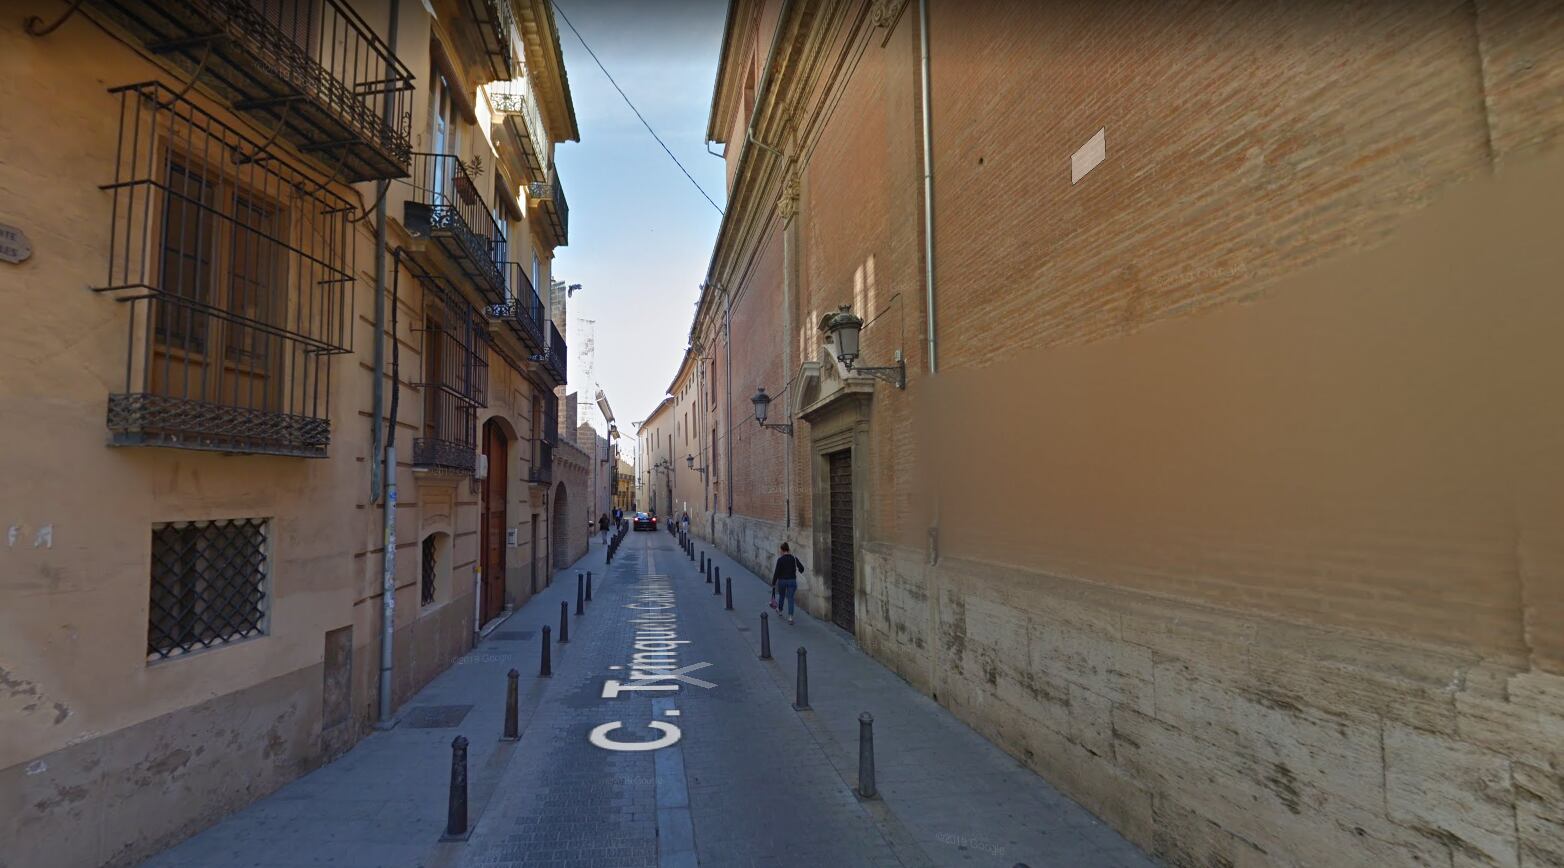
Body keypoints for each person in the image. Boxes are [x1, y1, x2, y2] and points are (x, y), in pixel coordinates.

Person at [771, 542, 804, 625]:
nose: (780, 552)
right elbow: (802, 569)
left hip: (782, 581)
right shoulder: (794, 558)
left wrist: (773, 583)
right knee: (790, 599)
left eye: (780, 550)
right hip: (792, 581)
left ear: (782, 550)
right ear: (788, 549)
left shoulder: (780, 560)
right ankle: (790, 617)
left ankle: (780, 610)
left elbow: (776, 572)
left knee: (782, 596)